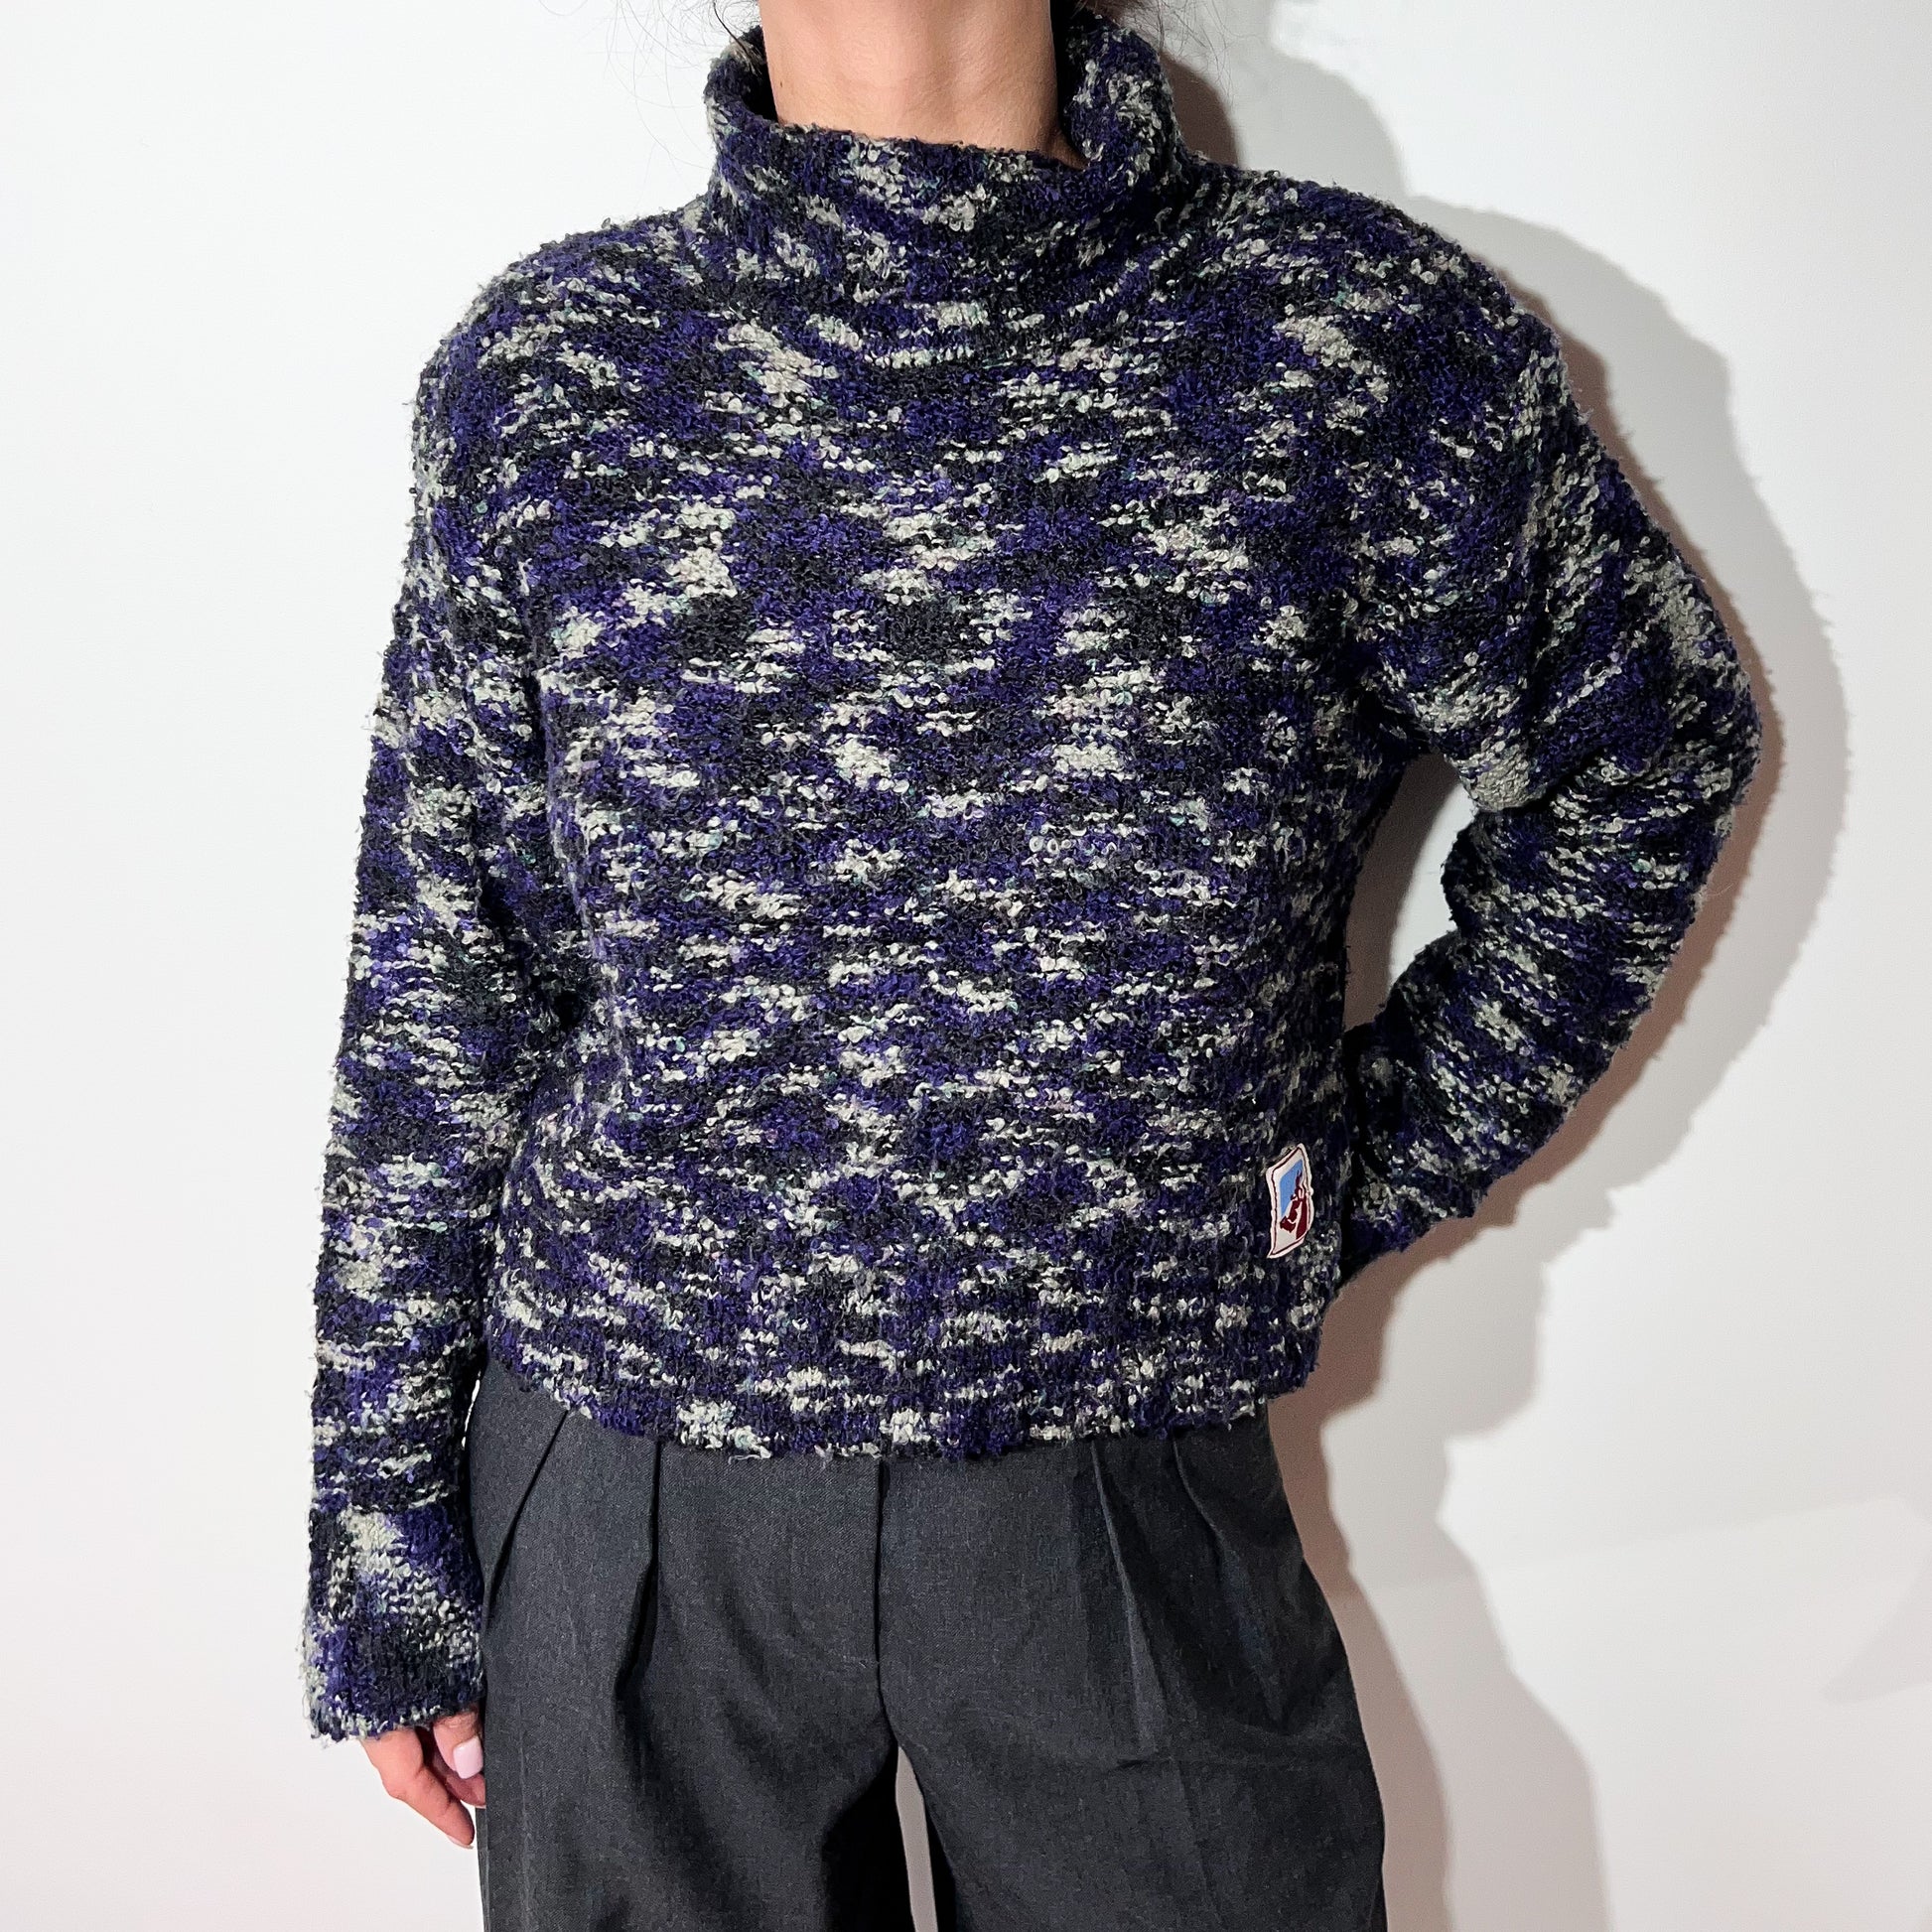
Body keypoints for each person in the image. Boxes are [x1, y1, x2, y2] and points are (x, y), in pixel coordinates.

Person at [301, 0, 1761, 1924]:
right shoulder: (553, 372)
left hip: (1126, 1490)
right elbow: (446, 976)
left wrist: (1318, 1183)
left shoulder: (1340, 343)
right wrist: (381, 1527)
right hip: (629, 1503)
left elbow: (1641, 760)